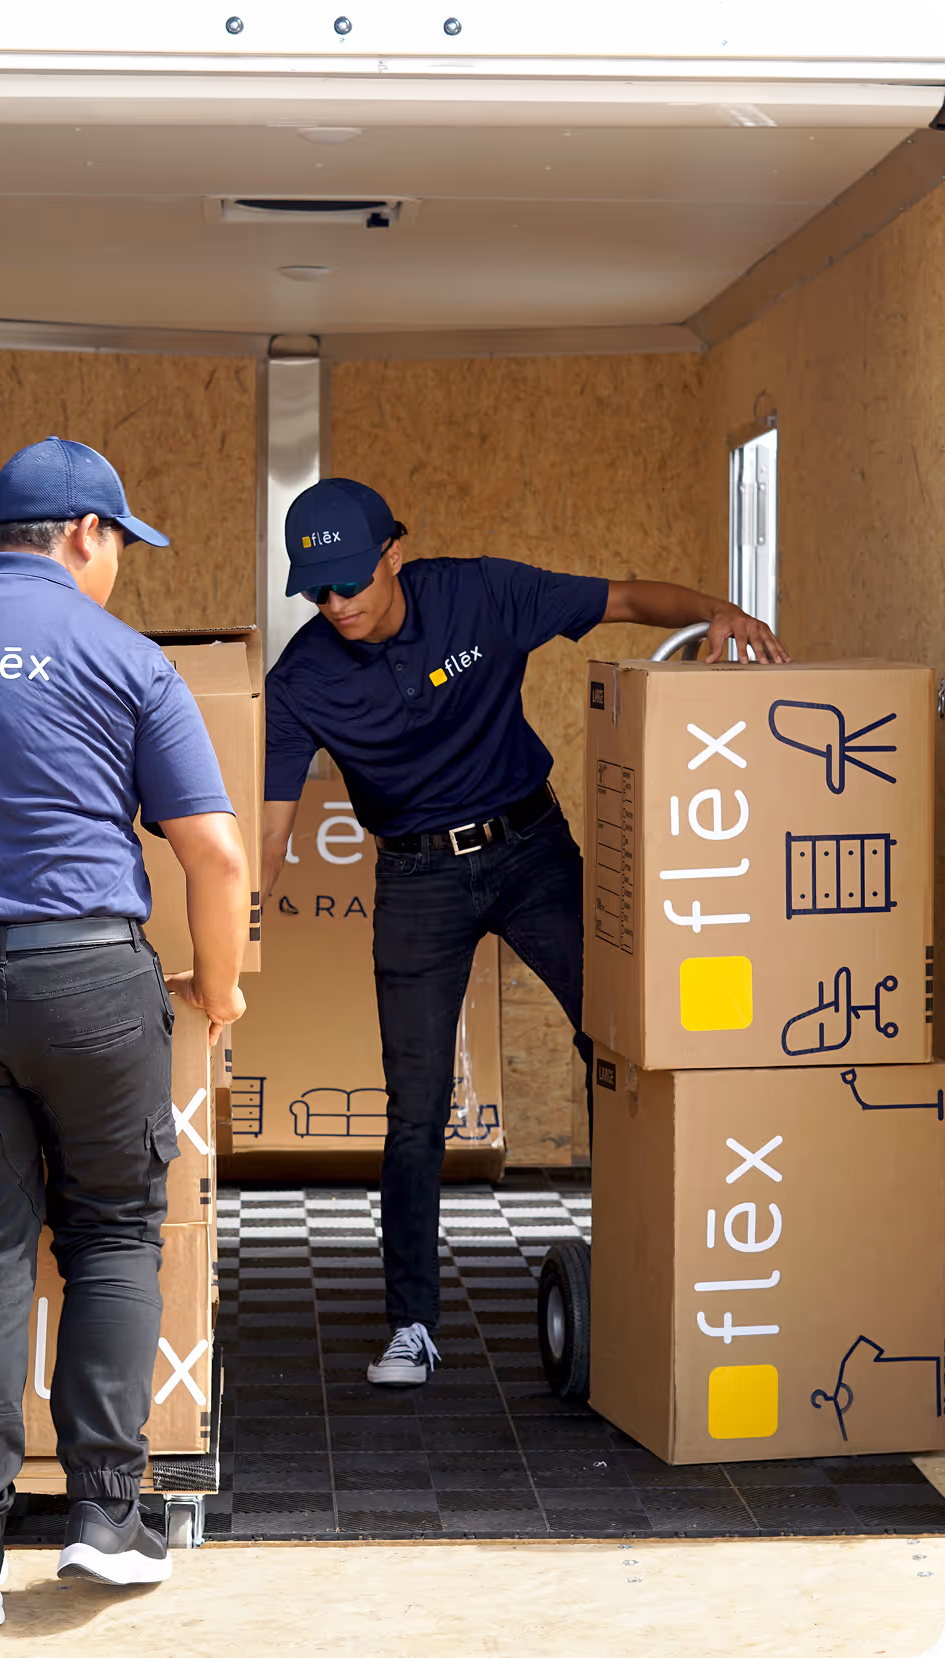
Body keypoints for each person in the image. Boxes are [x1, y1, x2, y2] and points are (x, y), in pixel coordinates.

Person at [262, 477, 788, 1388]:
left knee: (617, 1041)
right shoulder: (302, 678)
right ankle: (412, 1323)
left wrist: (723, 612)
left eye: (351, 580)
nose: (336, 604)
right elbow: (266, 831)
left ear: (394, 553)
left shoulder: (482, 593)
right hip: (417, 879)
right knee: (415, 1112)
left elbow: (621, 600)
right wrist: (240, 944)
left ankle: (647, 1258)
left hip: (532, 850)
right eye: (317, 591)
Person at [0, 437, 249, 1635]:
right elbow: (213, 852)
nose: (119, 564)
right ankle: (106, 1519)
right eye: (120, 541)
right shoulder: (122, 657)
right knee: (115, 1232)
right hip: (90, 980)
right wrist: (217, 987)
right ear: (82, 533)